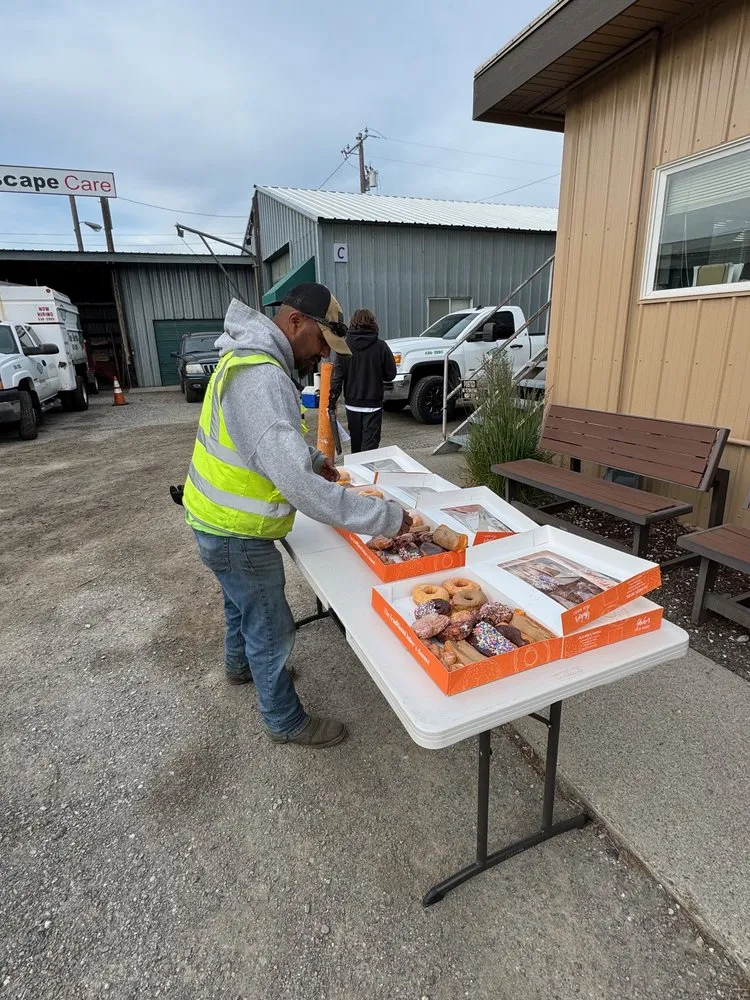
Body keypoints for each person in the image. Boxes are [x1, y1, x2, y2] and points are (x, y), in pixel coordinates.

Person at [182, 284, 409, 749]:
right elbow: (304, 492)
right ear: (295, 323)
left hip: (211, 519)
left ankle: (239, 666)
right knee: (269, 624)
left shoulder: (243, 358)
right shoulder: (262, 376)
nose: (325, 355)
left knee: (238, 602)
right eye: (323, 342)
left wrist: (309, 458)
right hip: (236, 532)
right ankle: (284, 719)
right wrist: (386, 518)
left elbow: (265, 445)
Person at [329, 308, 396, 454]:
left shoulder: (344, 346)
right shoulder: (381, 346)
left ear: (352, 323)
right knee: (369, 452)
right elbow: (390, 375)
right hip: (373, 404)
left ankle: (356, 475)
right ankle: (367, 475)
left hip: (352, 404)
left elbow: (337, 378)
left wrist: (331, 403)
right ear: (373, 323)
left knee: (356, 449)